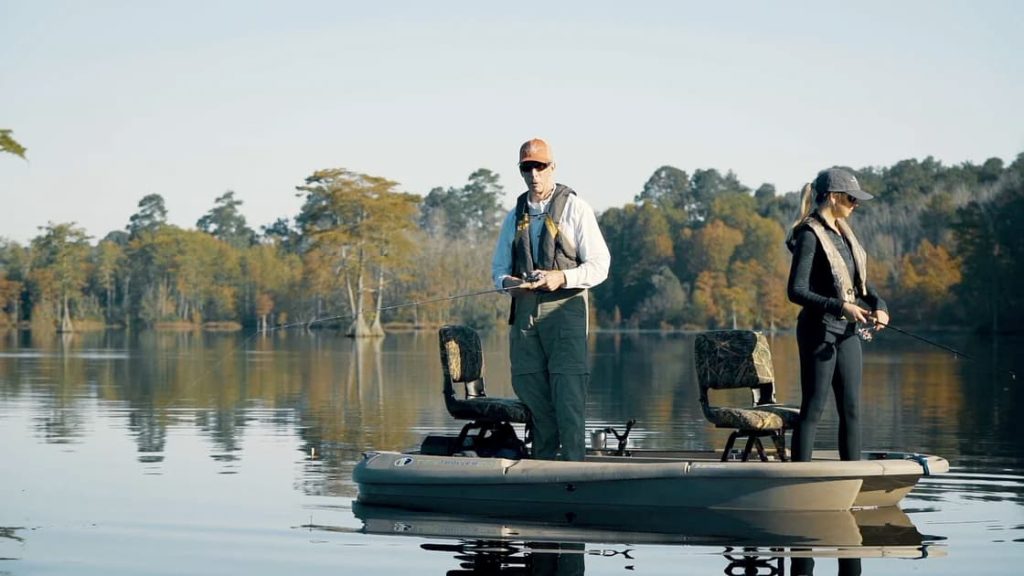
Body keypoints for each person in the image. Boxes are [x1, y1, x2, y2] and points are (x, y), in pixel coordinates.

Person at [491, 137, 610, 461]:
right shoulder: (514, 215)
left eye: (540, 167)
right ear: (521, 171)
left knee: (568, 397)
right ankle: (542, 469)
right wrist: (508, 284)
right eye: (527, 168)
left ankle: (574, 470)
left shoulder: (575, 208)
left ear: (552, 168)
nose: (534, 174)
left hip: (566, 312)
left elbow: (601, 266)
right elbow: (498, 270)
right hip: (526, 315)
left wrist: (561, 277)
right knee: (531, 392)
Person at [785, 167, 889, 462]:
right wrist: (840, 307)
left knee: (852, 408)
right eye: (851, 199)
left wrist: (879, 306)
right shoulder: (809, 234)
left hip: (846, 334)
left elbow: (861, 286)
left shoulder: (844, 235)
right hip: (817, 331)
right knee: (814, 408)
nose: (855, 204)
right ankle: (799, 479)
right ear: (832, 197)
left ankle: (851, 477)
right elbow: (796, 291)